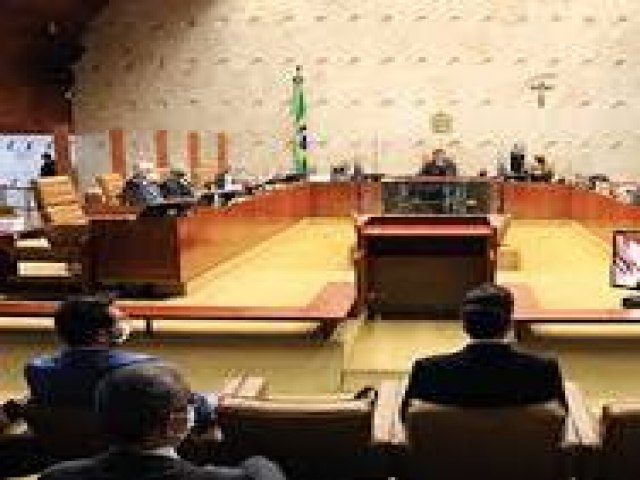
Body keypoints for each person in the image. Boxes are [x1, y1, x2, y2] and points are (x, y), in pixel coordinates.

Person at [39, 363, 287, 480]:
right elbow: (264, 471)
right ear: (173, 424)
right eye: (190, 404)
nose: (193, 409)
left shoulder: (56, 476)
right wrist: (256, 462)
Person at [24, 296, 213, 428]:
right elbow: (190, 409)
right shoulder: (146, 369)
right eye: (120, 321)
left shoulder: (37, 369)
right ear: (101, 335)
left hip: (67, 449)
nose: (125, 324)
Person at [401, 283, 565, 419]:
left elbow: (406, 418)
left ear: (464, 325)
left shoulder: (428, 370)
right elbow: (562, 419)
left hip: (446, 449)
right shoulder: (543, 371)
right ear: (509, 324)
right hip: (523, 449)